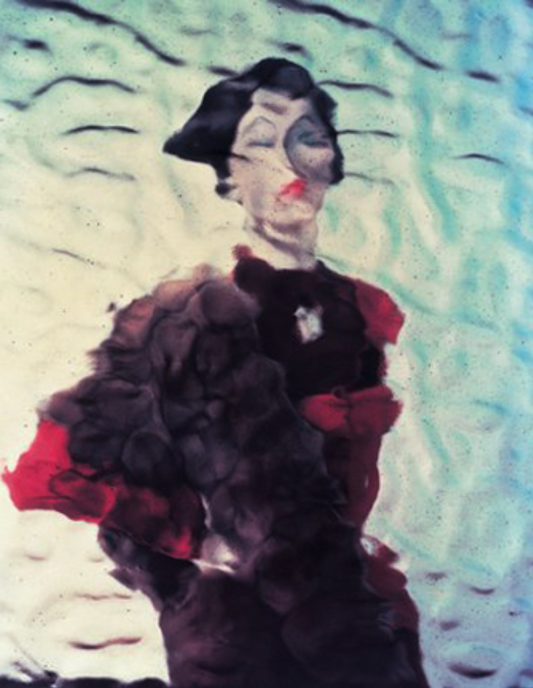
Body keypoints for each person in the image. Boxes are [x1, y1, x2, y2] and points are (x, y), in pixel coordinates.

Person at [4, 58, 428, 688]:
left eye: (308, 137)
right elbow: (49, 470)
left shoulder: (362, 311)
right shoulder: (190, 314)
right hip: (238, 632)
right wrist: (192, 542)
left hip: (350, 601)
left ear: (333, 161)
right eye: (260, 142)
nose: (289, 161)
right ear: (229, 176)